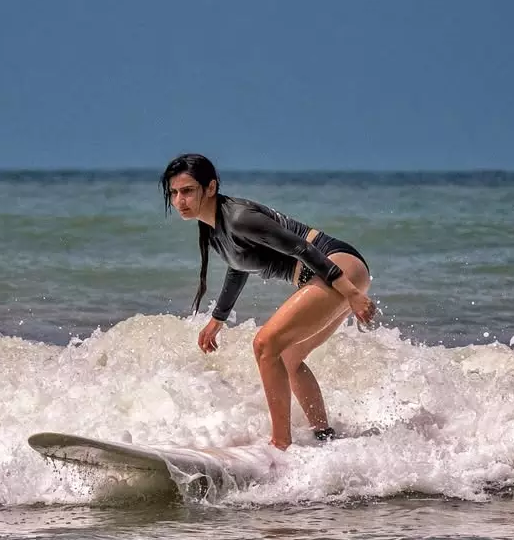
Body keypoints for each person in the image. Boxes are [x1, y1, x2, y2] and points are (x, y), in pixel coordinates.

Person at [160, 153, 377, 450]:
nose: (179, 200)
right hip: (332, 273)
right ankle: (324, 438)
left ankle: (280, 445)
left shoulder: (239, 218)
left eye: (187, 191)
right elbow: (239, 265)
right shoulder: (214, 227)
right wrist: (217, 319)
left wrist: (351, 293)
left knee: (265, 345)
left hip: (337, 267)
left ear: (210, 188)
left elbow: (301, 248)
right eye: (173, 193)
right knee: (288, 357)